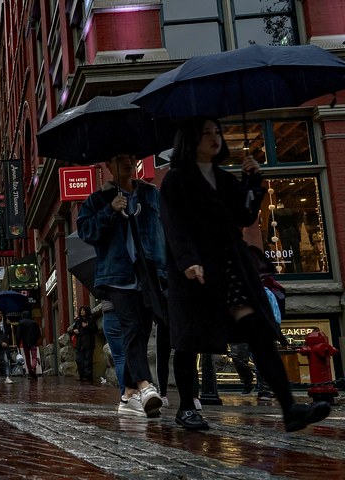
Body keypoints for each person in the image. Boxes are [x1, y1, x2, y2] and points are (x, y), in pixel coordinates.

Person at [160, 116, 331, 432]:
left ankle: (289, 407)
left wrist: (253, 182)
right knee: (189, 340)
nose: (215, 137)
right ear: (191, 139)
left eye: (218, 132)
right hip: (195, 271)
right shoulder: (176, 180)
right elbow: (174, 225)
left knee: (258, 332)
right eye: (206, 132)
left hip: (230, 268)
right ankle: (186, 407)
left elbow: (244, 215)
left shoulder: (224, 180)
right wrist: (187, 261)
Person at [77, 152, 165, 418]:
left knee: (142, 329)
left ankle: (127, 396)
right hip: (117, 274)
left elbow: (163, 230)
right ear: (108, 164)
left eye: (130, 157)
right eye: (120, 158)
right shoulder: (98, 199)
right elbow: (86, 232)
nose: (127, 162)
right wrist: (109, 211)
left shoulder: (150, 194)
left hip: (148, 272)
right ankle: (146, 386)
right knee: (131, 327)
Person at [68, 305, 97, 382]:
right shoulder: (78, 321)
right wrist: (74, 331)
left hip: (88, 342)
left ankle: (88, 376)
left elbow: (95, 330)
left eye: (84, 310)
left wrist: (87, 326)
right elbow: (71, 331)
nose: (82, 312)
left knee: (88, 360)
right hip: (79, 343)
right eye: (81, 310)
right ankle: (81, 375)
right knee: (79, 360)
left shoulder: (90, 320)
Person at [16, 311, 41, 380]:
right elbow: (39, 334)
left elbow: (18, 335)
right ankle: (33, 368)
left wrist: (18, 343)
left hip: (25, 343)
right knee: (34, 357)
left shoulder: (21, 323)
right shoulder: (34, 323)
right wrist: (35, 340)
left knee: (27, 358)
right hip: (33, 343)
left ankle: (30, 371)